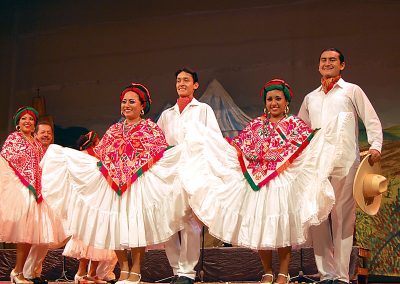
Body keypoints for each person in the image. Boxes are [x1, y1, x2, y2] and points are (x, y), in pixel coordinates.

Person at [178, 79, 356, 284]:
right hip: (258, 183)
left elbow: (307, 146)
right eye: (270, 99)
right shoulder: (257, 125)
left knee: (281, 226)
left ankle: (283, 272)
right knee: (261, 227)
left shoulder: (294, 125)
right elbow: (241, 147)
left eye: (278, 99)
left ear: (286, 102)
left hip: (282, 183)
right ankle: (267, 271)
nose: (273, 103)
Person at [40, 83, 186, 284]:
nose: (126, 105)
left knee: (136, 226)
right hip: (113, 185)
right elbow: (101, 154)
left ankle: (135, 269)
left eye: (132, 102)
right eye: (124, 101)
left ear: (142, 106)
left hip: (138, 185)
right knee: (115, 225)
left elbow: (159, 153)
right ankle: (123, 267)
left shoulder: (150, 128)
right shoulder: (114, 129)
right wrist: (77, 159)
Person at [298, 48, 383, 284]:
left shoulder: (351, 90)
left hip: (345, 161)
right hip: (315, 164)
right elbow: (300, 132)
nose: (327, 63)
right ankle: (326, 273)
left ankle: (342, 276)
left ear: (342, 65)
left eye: (332, 60)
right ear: (318, 66)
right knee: (317, 217)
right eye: (323, 60)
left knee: (343, 217)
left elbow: (371, 118)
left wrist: (376, 144)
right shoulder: (310, 97)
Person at [157, 67, 222, 284]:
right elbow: (157, 144)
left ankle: (187, 272)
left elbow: (214, 139)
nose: (181, 83)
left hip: (195, 170)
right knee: (168, 222)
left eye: (186, 80)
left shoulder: (203, 110)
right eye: (178, 80)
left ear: (195, 85)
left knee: (191, 221)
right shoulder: (167, 114)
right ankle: (176, 269)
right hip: (171, 172)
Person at [0, 106, 66, 284]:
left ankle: (19, 271)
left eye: (30, 119)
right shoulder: (14, 139)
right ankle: (18, 272)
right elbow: (6, 164)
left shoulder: (36, 144)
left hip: (36, 192)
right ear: (18, 123)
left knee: (30, 234)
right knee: (24, 233)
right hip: (21, 191)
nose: (28, 121)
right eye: (24, 119)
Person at [63, 130, 115, 284]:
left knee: (99, 237)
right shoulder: (85, 156)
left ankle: (91, 273)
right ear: (95, 141)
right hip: (88, 203)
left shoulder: (99, 156)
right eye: (98, 140)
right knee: (89, 236)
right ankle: (80, 273)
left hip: (101, 201)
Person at [23, 120, 55, 284]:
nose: (46, 135)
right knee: (35, 238)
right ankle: (28, 273)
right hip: (34, 198)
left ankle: (35, 273)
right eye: (43, 132)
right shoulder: (31, 151)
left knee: (44, 239)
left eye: (49, 133)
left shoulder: (52, 153)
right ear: (35, 134)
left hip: (49, 200)